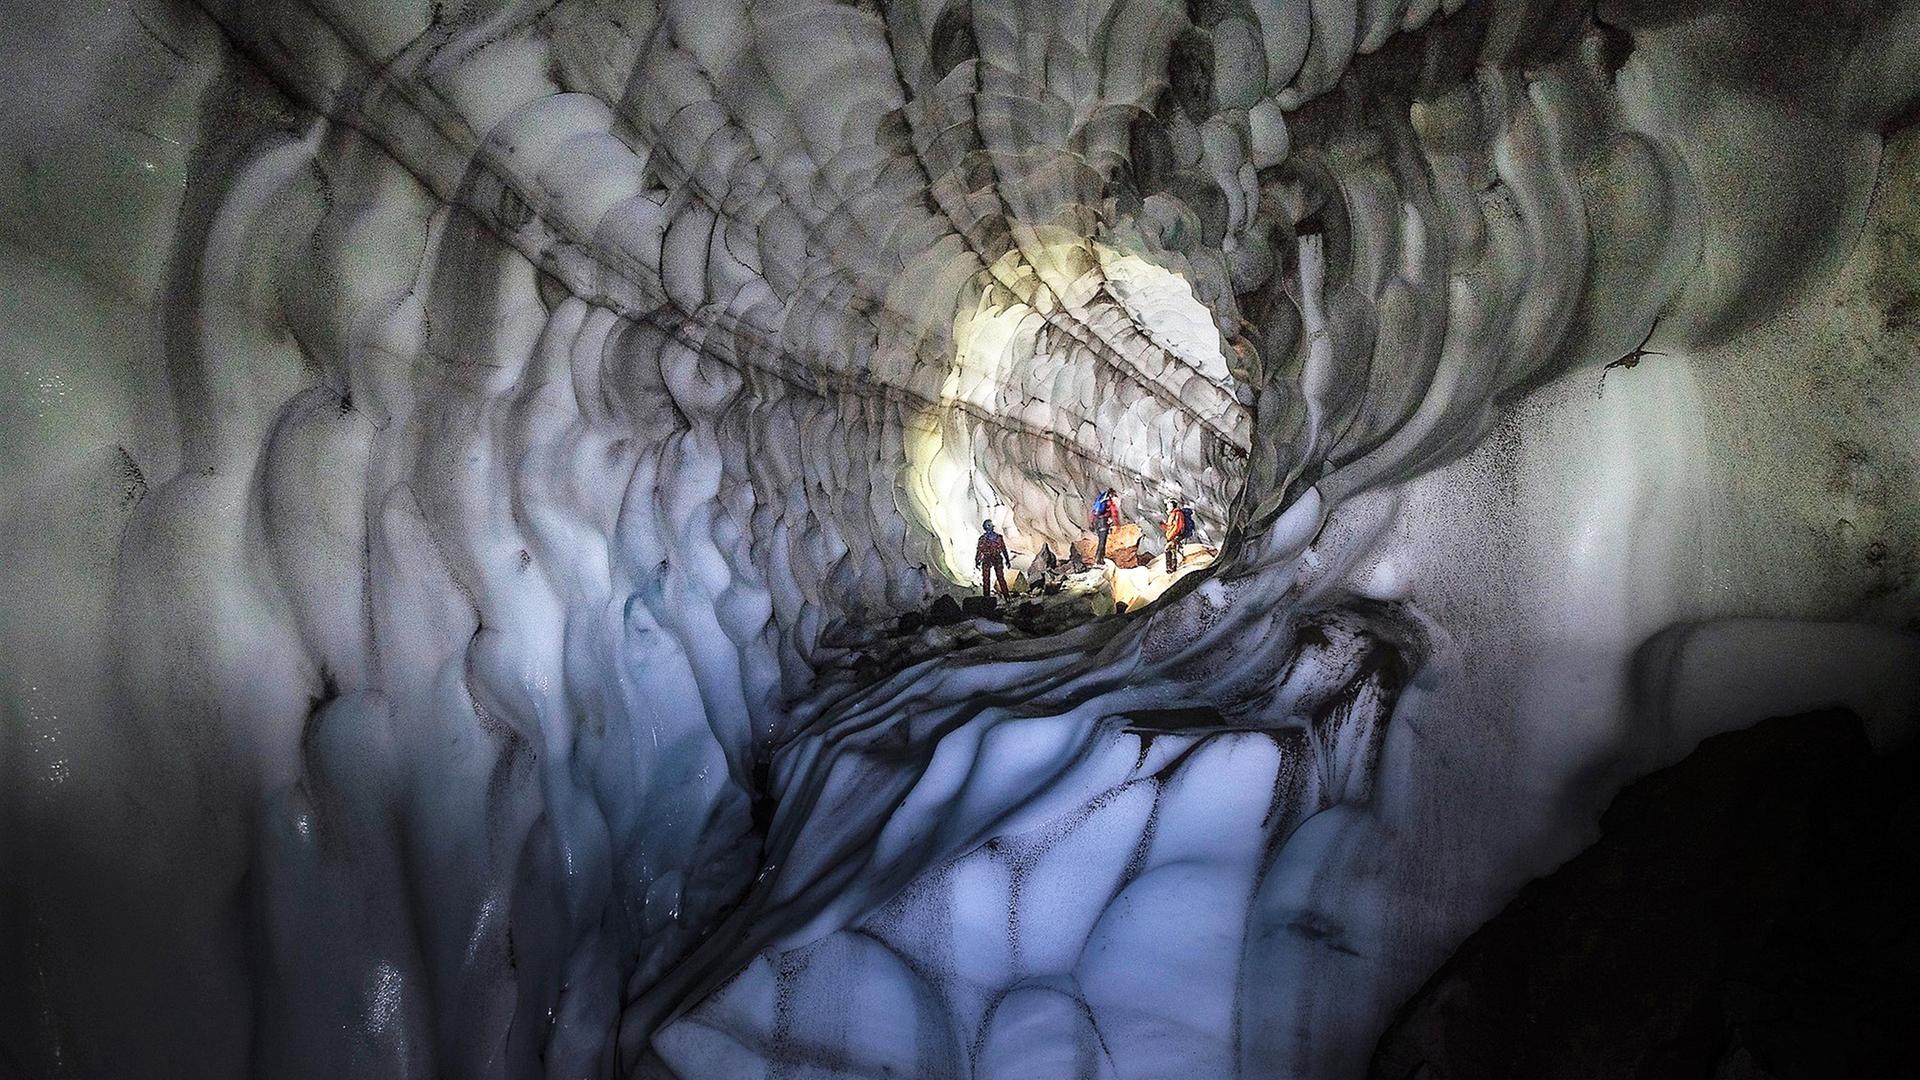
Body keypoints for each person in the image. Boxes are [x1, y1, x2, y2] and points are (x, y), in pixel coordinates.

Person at [976, 519, 1011, 600]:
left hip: (991, 558)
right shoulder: (996, 538)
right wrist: (1007, 560)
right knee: (994, 578)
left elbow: (980, 551)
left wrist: (977, 561)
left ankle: (989, 598)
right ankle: (1005, 596)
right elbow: (1003, 549)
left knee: (991, 578)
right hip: (992, 558)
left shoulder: (984, 539)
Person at [1161, 497, 1195, 573]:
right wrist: (1163, 525)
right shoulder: (1172, 514)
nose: (1168, 507)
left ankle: (1170, 567)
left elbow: (1178, 526)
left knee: (1168, 549)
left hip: (1175, 535)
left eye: (1170, 506)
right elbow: (1170, 526)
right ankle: (1172, 567)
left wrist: (1172, 535)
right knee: (1173, 550)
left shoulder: (1178, 514)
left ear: (1173, 506)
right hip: (1172, 536)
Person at [1090, 487, 1120, 564]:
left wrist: (1092, 523)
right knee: (1102, 542)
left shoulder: (1100, 500)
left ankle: (1098, 558)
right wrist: (1117, 525)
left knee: (1101, 541)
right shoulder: (1109, 502)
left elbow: (1093, 512)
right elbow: (1114, 513)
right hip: (1103, 522)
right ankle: (1099, 559)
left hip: (1097, 521)